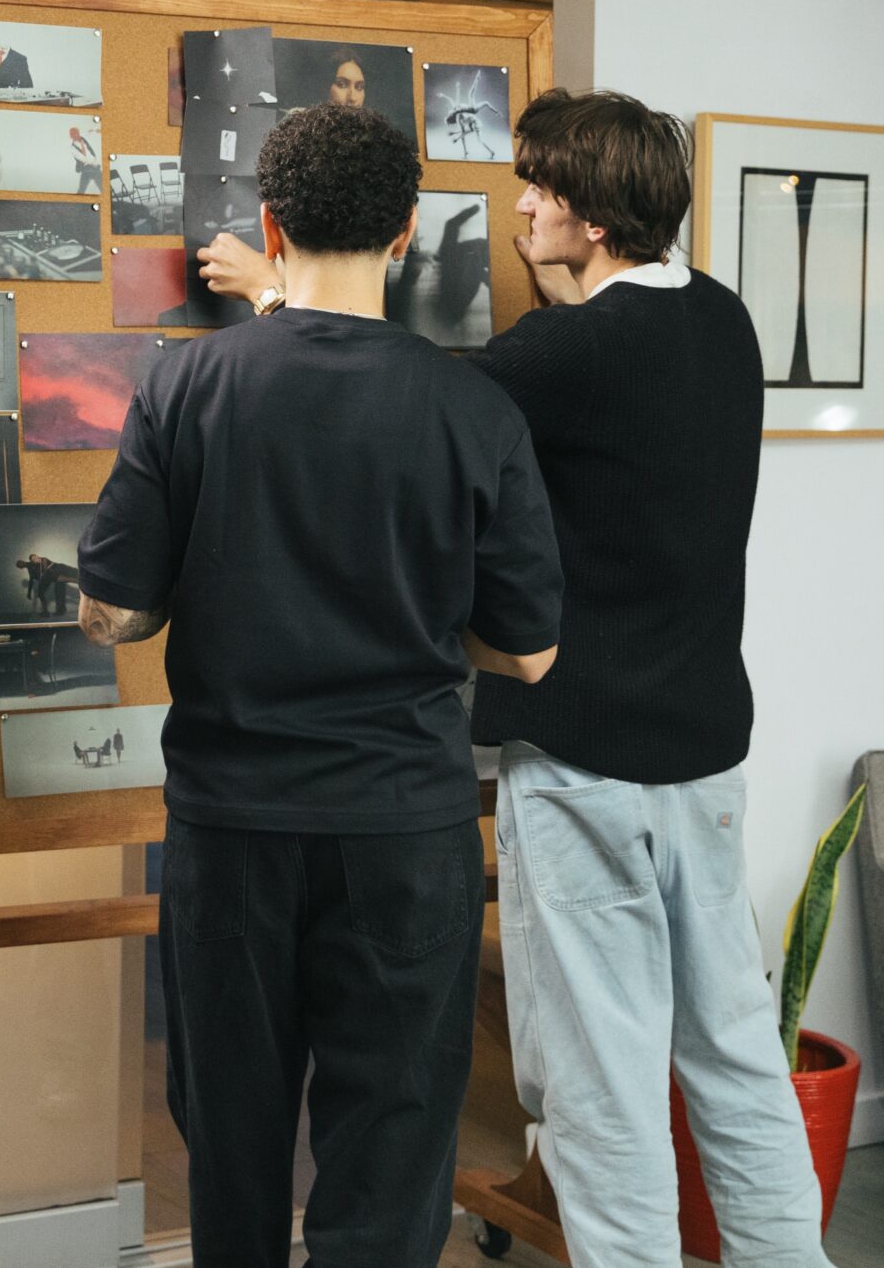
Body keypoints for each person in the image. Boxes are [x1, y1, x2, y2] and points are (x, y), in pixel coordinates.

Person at [201, 88, 824, 1268]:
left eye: (540, 188)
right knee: (736, 1053)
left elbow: (404, 399)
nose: (522, 206)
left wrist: (275, 295)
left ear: (595, 218)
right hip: (704, 755)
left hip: (585, 762)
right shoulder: (722, 319)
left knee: (598, 1085)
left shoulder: (571, 349)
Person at [78, 104, 562, 1268]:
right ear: (405, 233)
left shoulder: (186, 388)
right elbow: (528, 653)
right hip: (404, 830)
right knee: (390, 1155)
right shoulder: (475, 408)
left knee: (230, 1145)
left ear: (269, 226)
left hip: (231, 825)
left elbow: (116, 612)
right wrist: (418, 614)